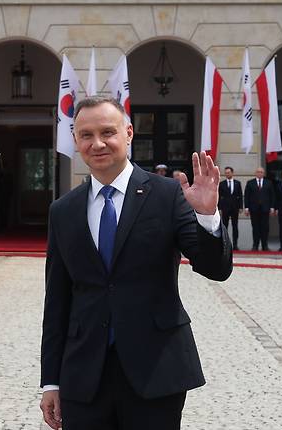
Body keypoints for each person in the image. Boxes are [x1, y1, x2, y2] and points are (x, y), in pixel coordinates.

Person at [40, 96, 232, 430]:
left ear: (129, 133)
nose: (97, 143)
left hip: (156, 369)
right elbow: (57, 301)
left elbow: (216, 268)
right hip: (85, 374)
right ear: (75, 140)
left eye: (107, 132)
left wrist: (206, 216)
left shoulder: (167, 194)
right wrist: (51, 382)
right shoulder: (63, 210)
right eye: (86, 135)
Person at [244, 167, 275, 251]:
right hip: (254, 209)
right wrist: (246, 208)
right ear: (255, 173)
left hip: (265, 209)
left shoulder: (269, 183)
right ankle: (255, 245)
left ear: (264, 173)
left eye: (261, 172)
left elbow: (272, 196)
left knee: (265, 228)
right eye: (258, 172)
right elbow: (247, 196)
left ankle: (265, 246)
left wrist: (272, 207)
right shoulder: (250, 183)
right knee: (255, 228)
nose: (260, 173)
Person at [218, 166, 243, 250]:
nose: (227, 174)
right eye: (226, 173)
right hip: (225, 208)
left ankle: (235, 245)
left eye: (228, 172)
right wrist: (219, 208)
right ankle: (225, 245)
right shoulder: (222, 184)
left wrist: (240, 207)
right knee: (224, 227)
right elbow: (219, 197)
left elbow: (240, 196)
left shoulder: (237, 183)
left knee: (235, 227)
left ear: (232, 173)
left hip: (235, 208)